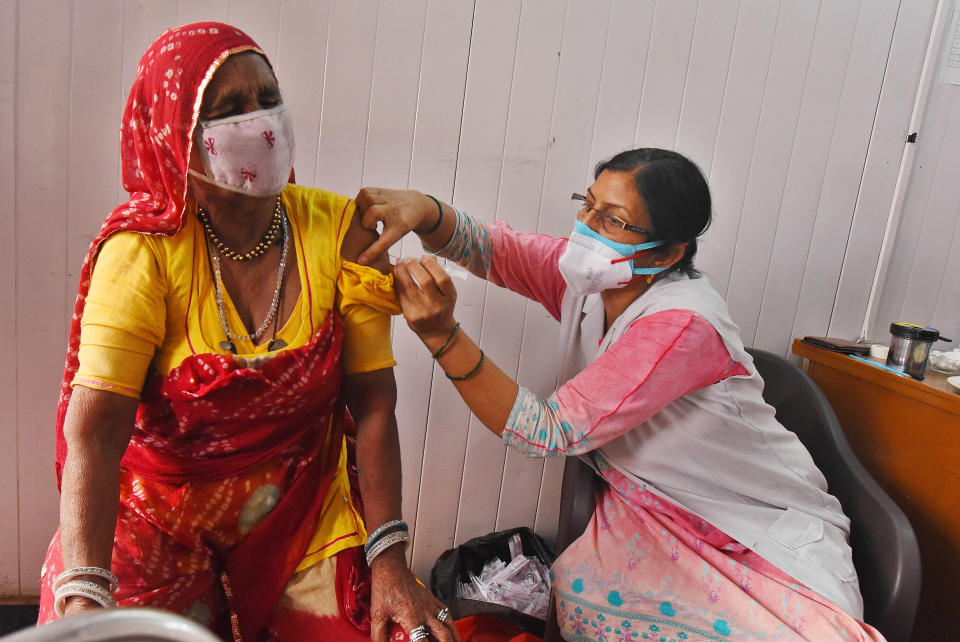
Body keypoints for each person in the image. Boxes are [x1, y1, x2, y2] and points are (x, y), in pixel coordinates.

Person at [354, 148, 886, 641]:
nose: (585, 229)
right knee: (591, 597)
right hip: (657, 511)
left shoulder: (681, 325)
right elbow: (498, 251)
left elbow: (546, 431)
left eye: (613, 220)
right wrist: (424, 211)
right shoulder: (598, 280)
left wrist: (442, 336)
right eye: (587, 205)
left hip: (749, 529)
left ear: (670, 251)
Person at [39, 22, 456, 642]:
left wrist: (390, 559)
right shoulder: (143, 254)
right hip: (160, 516)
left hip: (299, 507)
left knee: (397, 633)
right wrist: (84, 596)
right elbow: (95, 432)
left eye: (267, 98)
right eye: (228, 110)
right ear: (175, 136)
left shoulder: (342, 230)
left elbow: (372, 403)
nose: (258, 123)